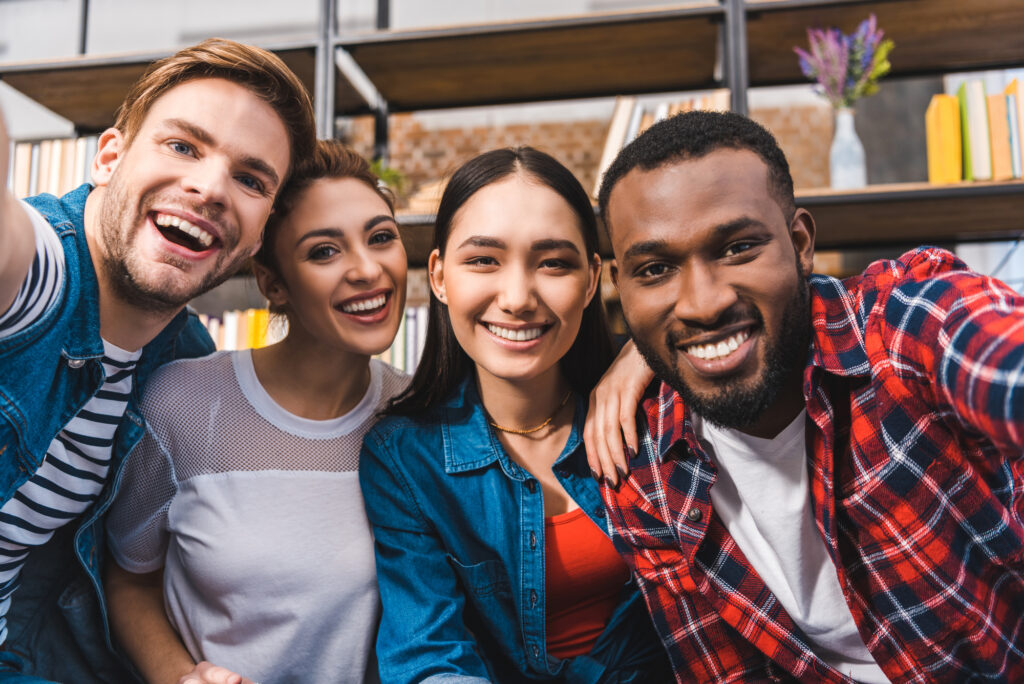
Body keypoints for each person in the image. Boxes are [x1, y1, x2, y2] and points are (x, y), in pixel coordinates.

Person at [591, 109, 1024, 682]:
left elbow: (992, 353)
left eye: (738, 248)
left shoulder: (903, 329)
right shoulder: (642, 467)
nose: (702, 302)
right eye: (656, 269)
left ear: (799, 243)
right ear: (618, 284)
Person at [0, 39, 315, 682]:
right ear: (110, 158)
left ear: (260, 236)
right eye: (182, 146)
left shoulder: (182, 364)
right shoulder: (38, 274)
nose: (208, 187)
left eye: (251, 180)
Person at [359, 146, 671, 683]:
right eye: (483, 260)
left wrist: (653, 347)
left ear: (594, 278)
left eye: (554, 263)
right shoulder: (404, 460)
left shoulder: (659, 406)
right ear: (438, 276)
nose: (518, 297)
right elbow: (429, 660)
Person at [103, 140, 408, 684]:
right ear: (273, 284)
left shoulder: (419, 418)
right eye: (323, 251)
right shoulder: (182, 404)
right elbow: (129, 580)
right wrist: (180, 677)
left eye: (381, 237)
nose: (368, 269)